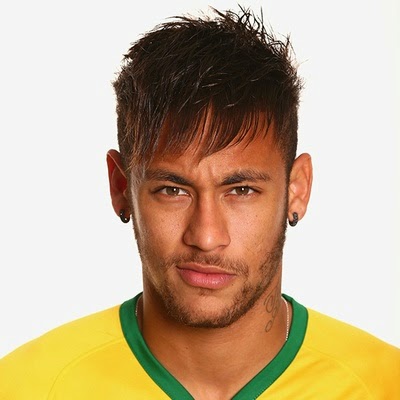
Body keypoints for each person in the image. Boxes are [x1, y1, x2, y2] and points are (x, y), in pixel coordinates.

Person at [1, 6, 399, 400]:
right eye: (172, 190)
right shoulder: (26, 387)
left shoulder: (384, 384)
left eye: (241, 190)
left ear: (297, 189)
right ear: (121, 186)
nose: (206, 237)